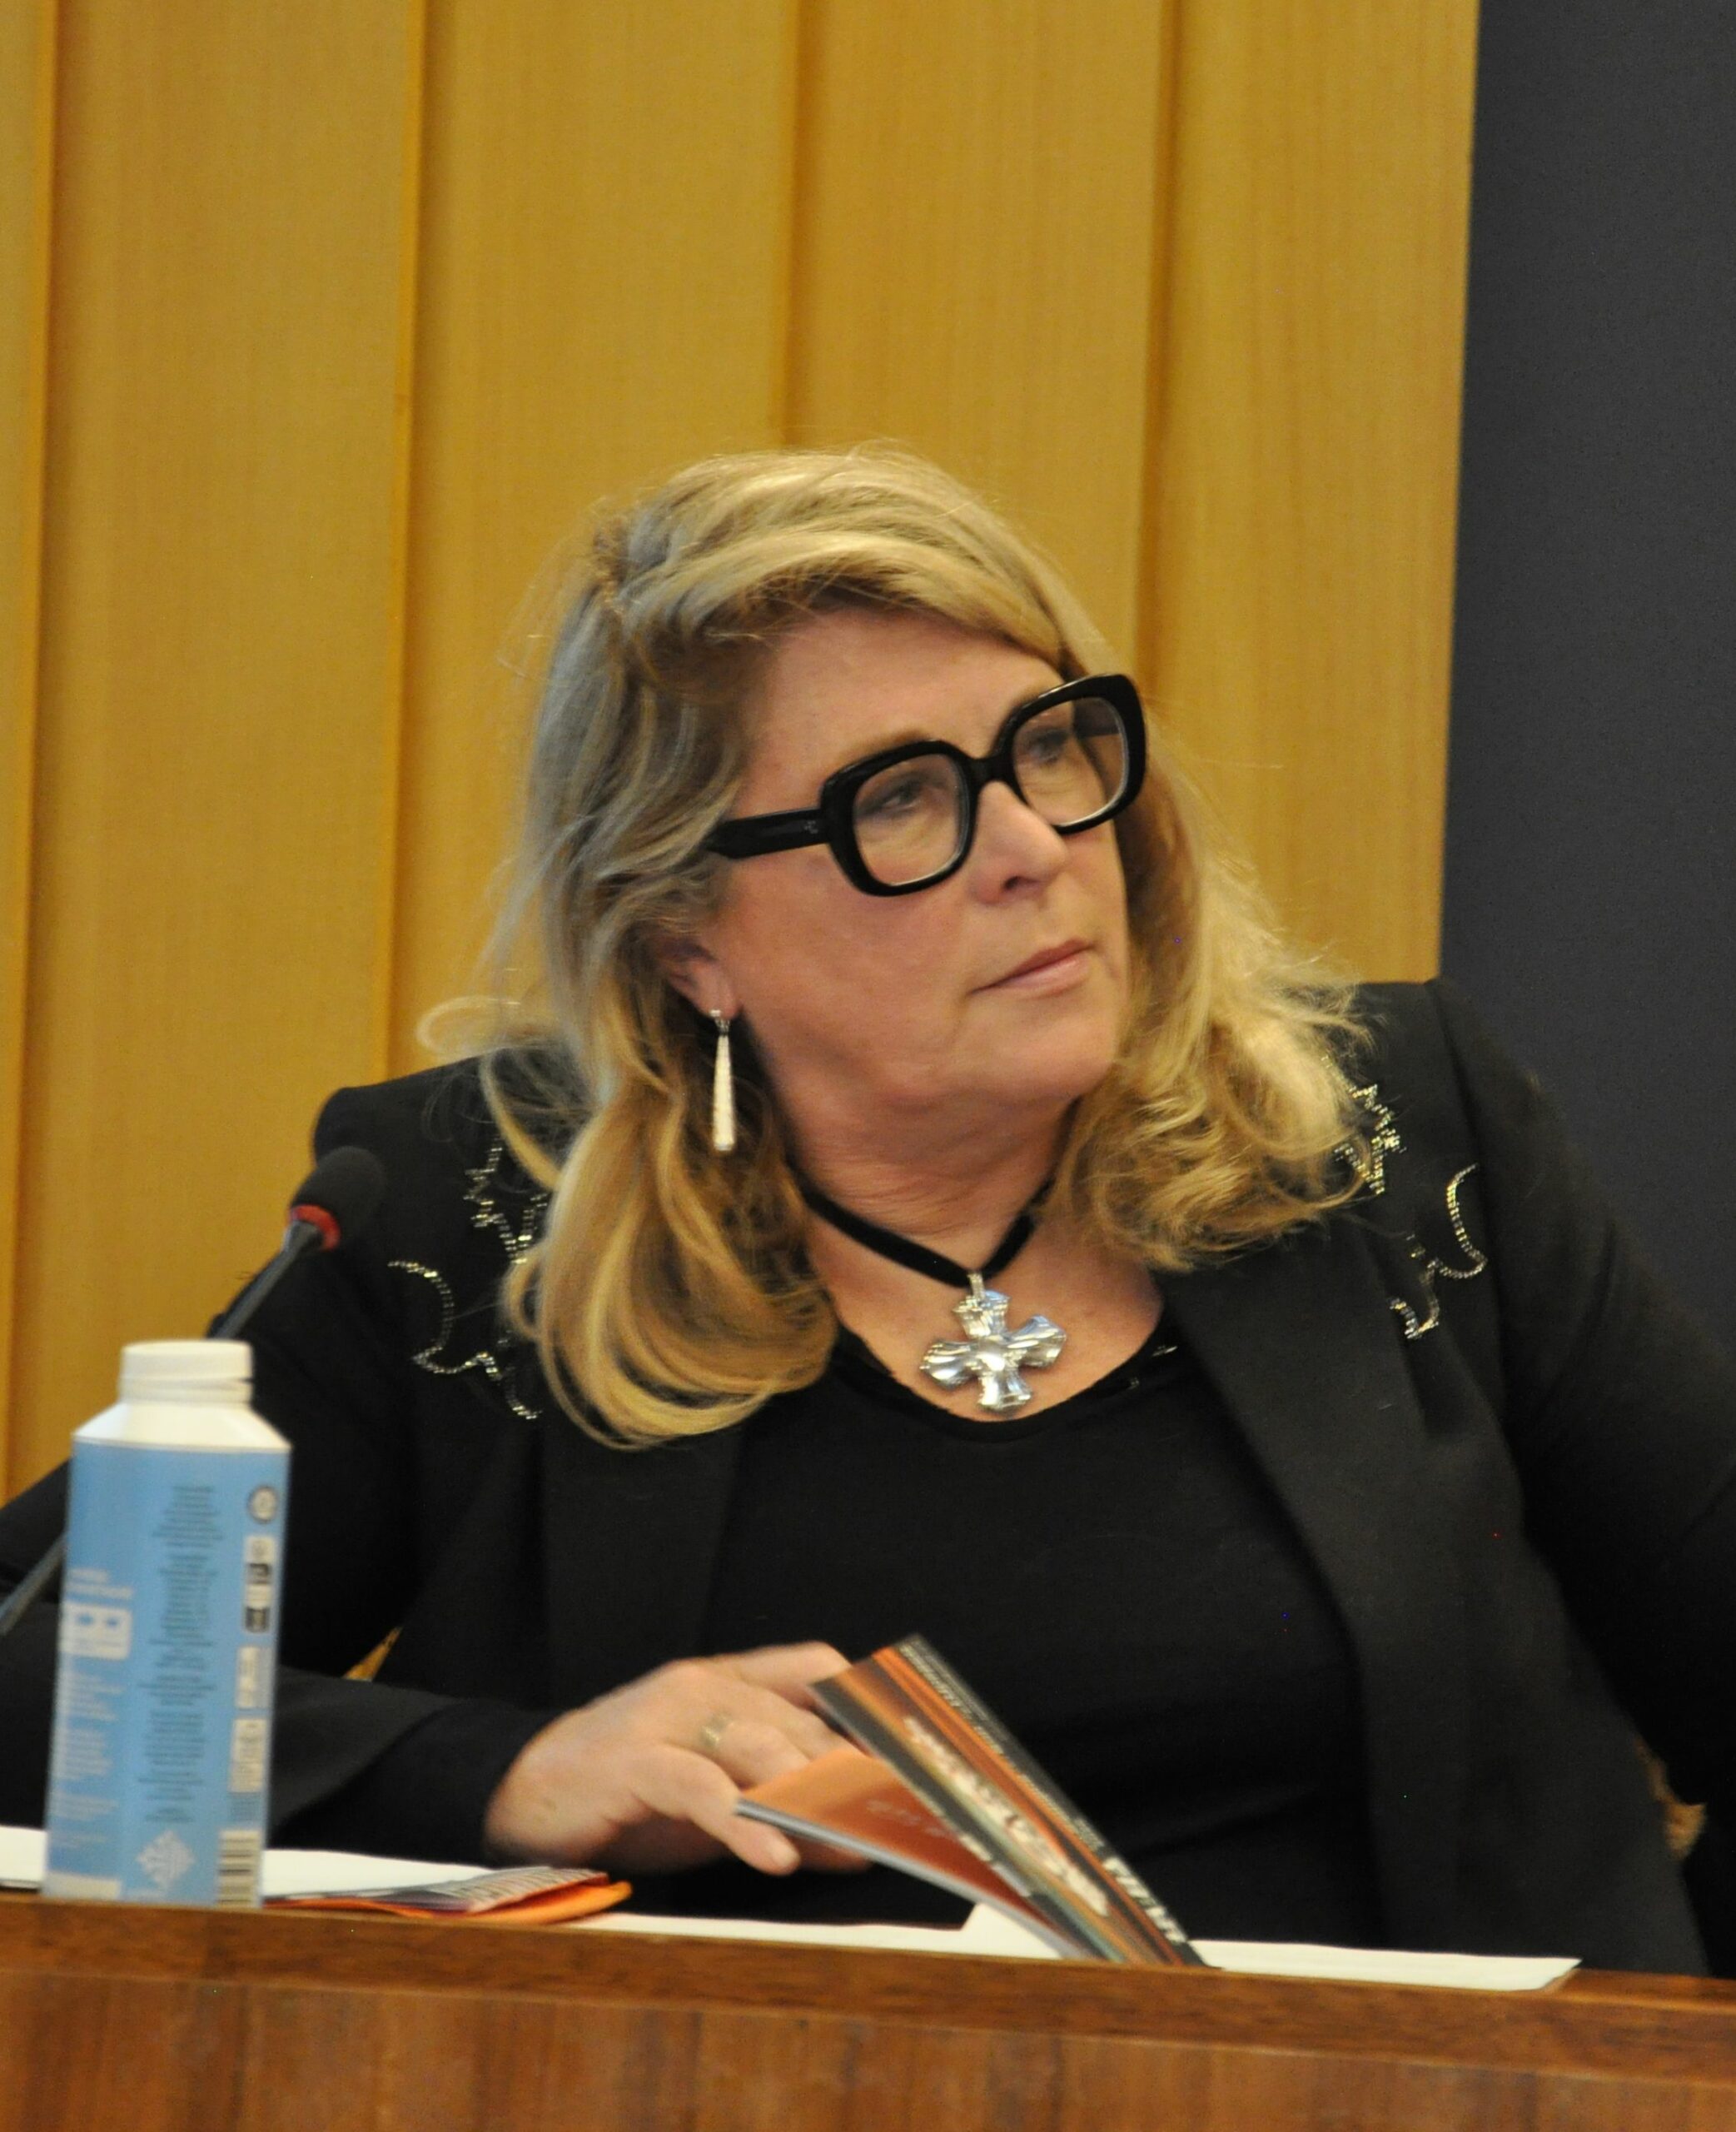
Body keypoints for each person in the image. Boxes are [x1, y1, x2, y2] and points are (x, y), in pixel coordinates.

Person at [2, 447, 1733, 1970]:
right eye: (899, 799)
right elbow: (32, 1679)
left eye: (1046, 748)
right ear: (685, 938)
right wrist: (510, 1773)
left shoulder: (1397, 1136)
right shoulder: (468, 1216)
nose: (1031, 843)